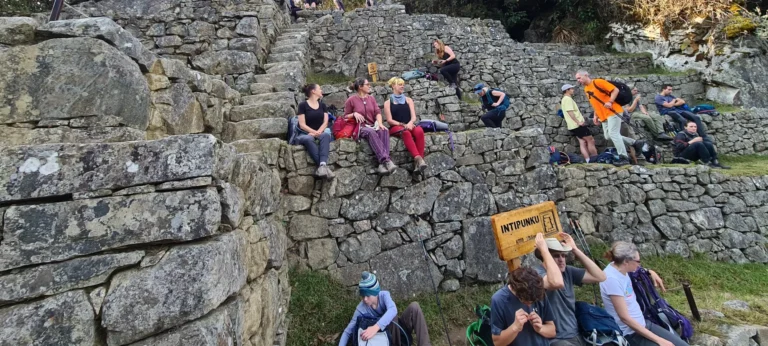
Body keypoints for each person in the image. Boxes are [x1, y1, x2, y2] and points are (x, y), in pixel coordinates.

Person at [600, 241, 690, 346]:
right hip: (631, 333)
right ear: (626, 262)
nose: (639, 264)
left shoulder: (621, 267)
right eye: (638, 261)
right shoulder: (612, 280)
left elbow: (638, 270)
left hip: (643, 324)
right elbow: (624, 318)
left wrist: (650, 271)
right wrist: (659, 340)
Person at [534, 233, 607, 346]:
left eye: (564, 256)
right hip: (555, 339)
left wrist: (575, 250)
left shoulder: (568, 271)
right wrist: (544, 251)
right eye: (556, 256)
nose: (561, 260)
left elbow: (600, 277)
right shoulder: (537, 274)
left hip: (576, 334)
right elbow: (556, 282)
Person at [491, 233, 561, 346]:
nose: (530, 306)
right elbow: (497, 342)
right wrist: (515, 327)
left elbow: (552, 330)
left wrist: (540, 328)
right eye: (527, 302)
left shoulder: (538, 292)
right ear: (517, 291)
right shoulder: (499, 300)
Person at [338, 271, 431, 346]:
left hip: (399, 330)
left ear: (375, 292)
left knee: (414, 307)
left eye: (368, 295)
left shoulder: (384, 295)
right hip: (385, 338)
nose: (365, 299)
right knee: (392, 319)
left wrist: (375, 327)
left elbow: (393, 309)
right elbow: (347, 332)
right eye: (362, 296)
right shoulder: (361, 308)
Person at [575, 70, 638, 166]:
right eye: (577, 79)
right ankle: (635, 143)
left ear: (586, 75)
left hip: (613, 111)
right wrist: (596, 115)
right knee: (608, 136)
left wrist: (610, 101)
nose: (578, 80)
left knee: (613, 133)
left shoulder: (598, 82)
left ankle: (623, 157)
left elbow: (615, 90)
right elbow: (596, 103)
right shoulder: (586, 89)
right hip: (603, 115)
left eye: (579, 78)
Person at [344, 78, 397, 175]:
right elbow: (345, 116)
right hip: (360, 128)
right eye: (367, 84)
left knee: (384, 130)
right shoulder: (351, 100)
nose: (369, 86)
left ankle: (382, 165)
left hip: (373, 125)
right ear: (360, 87)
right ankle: (386, 161)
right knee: (370, 132)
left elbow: (378, 112)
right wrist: (354, 114)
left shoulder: (371, 98)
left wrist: (380, 123)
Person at [384, 77, 428, 172]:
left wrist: (410, 123)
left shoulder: (408, 100)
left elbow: (413, 117)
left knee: (419, 130)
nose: (402, 86)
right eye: (400, 84)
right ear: (393, 86)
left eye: (403, 84)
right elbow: (389, 120)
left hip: (409, 125)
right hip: (396, 127)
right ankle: (418, 158)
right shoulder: (388, 103)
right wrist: (403, 124)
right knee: (406, 133)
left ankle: (419, 163)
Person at [296, 84, 335, 179]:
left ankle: (322, 165)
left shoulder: (322, 105)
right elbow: (302, 124)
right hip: (305, 133)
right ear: (313, 91)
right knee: (308, 139)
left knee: (326, 135)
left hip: (319, 132)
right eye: (319, 89)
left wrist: (318, 132)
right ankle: (324, 168)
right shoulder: (302, 105)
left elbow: (325, 122)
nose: (321, 90)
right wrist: (313, 132)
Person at [561, 84, 597, 161]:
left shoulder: (565, 99)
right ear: (567, 90)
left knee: (582, 142)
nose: (573, 90)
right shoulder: (567, 99)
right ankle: (595, 158)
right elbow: (570, 112)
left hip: (573, 125)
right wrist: (578, 122)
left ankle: (587, 160)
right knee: (590, 140)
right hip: (577, 125)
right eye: (571, 89)